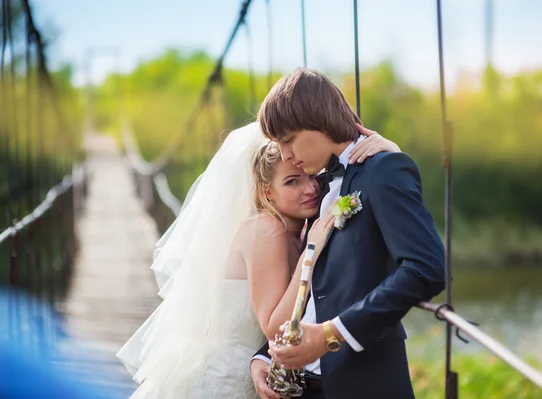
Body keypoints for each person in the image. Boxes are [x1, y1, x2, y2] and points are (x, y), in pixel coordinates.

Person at [116, 118, 400, 398]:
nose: (311, 189)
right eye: (292, 182)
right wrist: (310, 255)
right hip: (224, 381)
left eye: (312, 176)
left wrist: (392, 153)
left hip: (253, 374)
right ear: (267, 191)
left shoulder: (296, 230)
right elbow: (275, 327)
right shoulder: (268, 229)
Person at [250, 68, 446, 398]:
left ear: (317, 121)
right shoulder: (321, 189)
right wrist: (264, 355)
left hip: (365, 384)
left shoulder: (383, 169)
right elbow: (317, 291)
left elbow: (426, 269)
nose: (285, 155)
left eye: (287, 140)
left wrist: (331, 334)